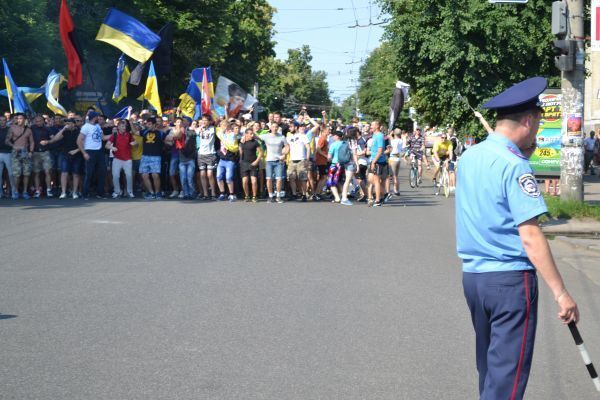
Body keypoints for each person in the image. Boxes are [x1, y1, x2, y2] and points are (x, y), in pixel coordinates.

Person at [456, 77, 579, 400]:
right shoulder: (515, 167)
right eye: (536, 125)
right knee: (507, 380)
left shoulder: (469, 158)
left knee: (490, 371)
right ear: (528, 121)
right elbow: (530, 236)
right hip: (510, 281)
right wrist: (561, 293)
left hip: (474, 277)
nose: (536, 133)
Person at [40, 118, 82, 199]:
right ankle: (63, 192)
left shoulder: (79, 131)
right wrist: (63, 129)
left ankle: (75, 192)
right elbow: (55, 138)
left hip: (77, 154)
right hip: (65, 154)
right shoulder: (64, 131)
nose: (67, 125)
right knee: (64, 173)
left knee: (75, 174)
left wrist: (76, 150)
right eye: (66, 123)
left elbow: (84, 143)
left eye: (69, 123)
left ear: (73, 124)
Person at [77, 111, 110, 199]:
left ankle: (100, 193)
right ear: (94, 118)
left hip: (99, 152)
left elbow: (103, 138)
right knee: (89, 173)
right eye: (97, 118)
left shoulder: (98, 126)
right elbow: (79, 140)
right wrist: (84, 153)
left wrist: (114, 134)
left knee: (102, 172)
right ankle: (85, 193)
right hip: (90, 151)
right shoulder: (86, 127)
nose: (99, 119)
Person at [106, 119, 137, 198]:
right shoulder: (114, 135)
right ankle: (117, 191)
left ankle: (130, 191)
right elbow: (107, 145)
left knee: (129, 176)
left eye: (125, 126)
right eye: (122, 126)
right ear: (118, 127)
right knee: (115, 176)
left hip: (127, 159)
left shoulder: (129, 135)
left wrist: (134, 144)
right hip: (117, 158)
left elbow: (135, 144)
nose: (124, 128)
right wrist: (112, 148)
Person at [5, 113, 34, 199]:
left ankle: (25, 191)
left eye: (21, 118)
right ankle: (16, 191)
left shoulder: (28, 130)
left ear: (24, 119)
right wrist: (14, 146)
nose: (19, 120)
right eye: (18, 118)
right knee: (17, 174)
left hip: (25, 152)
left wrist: (31, 152)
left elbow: (32, 142)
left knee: (26, 173)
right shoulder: (12, 128)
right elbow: (7, 140)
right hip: (15, 152)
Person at [261, 121, 289, 203]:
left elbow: (287, 146)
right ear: (270, 128)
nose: (275, 128)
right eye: (273, 127)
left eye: (276, 127)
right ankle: (270, 196)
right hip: (269, 161)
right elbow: (255, 136)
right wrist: (243, 138)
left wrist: (285, 154)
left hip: (278, 161)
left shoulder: (282, 137)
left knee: (279, 179)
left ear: (278, 128)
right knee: (269, 179)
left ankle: (278, 196)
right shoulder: (266, 136)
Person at [139, 117, 166, 199]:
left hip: (156, 157)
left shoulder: (161, 133)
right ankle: (151, 192)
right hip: (145, 156)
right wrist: (130, 122)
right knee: (144, 175)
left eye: (150, 124)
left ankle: (158, 193)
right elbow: (134, 131)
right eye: (147, 124)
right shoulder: (144, 132)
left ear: (154, 124)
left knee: (155, 175)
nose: (148, 125)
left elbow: (169, 140)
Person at [215, 122, 240, 201]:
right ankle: (222, 193)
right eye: (222, 125)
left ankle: (232, 194)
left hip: (230, 159)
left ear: (228, 126)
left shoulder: (232, 134)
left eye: (225, 125)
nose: (223, 127)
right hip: (222, 159)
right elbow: (217, 128)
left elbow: (238, 135)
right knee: (219, 177)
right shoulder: (220, 134)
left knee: (229, 178)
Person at [30, 116, 54, 198]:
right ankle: (37, 190)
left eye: (40, 121)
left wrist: (48, 141)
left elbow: (53, 138)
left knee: (47, 172)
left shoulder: (47, 129)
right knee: (36, 173)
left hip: (45, 152)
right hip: (35, 153)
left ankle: (48, 189)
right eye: (36, 121)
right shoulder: (31, 128)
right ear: (34, 121)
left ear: (43, 121)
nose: (38, 122)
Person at [195, 114, 218, 200]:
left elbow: (219, 123)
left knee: (210, 174)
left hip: (211, 154)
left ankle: (213, 193)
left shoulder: (213, 128)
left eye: (205, 120)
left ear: (209, 121)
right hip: (201, 154)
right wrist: (200, 127)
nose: (204, 122)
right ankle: (205, 193)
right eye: (202, 120)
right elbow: (195, 130)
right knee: (202, 174)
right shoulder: (199, 129)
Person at [286, 122, 311, 201]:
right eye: (289, 127)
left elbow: (308, 147)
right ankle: (294, 194)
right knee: (291, 178)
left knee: (303, 179)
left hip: (301, 160)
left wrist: (307, 159)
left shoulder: (303, 136)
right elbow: (287, 149)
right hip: (291, 160)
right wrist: (282, 155)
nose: (290, 128)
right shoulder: (288, 137)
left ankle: (304, 195)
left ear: (296, 127)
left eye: (291, 126)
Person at [239, 127, 262, 202]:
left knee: (254, 181)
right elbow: (240, 152)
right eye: (250, 134)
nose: (252, 135)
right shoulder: (242, 142)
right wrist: (241, 144)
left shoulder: (255, 142)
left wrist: (256, 161)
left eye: (253, 134)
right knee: (244, 181)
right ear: (246, 134)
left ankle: (254, 196)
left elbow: (260, 153)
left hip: (253, 163)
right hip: (244, 163)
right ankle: (247, 195)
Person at [368, 120, 387, 207]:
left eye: (372, 125)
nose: (370, 126)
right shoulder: (374, 135)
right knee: (370, 179)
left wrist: (374, 162)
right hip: (373, 159)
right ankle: (385, 193)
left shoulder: (379, 136)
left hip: (378, 161)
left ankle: (378, 200)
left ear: (377, 126)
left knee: (376, 181)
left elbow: (380, 151)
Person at [0, 114, 17, 199]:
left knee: (10, 174)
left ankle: (13, 192)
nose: (2, 122)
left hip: (8, 153)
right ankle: (0, 193)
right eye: (1, 120)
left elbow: (14, 140)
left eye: (4, 120)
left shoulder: (9, 130)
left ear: (6, 121)